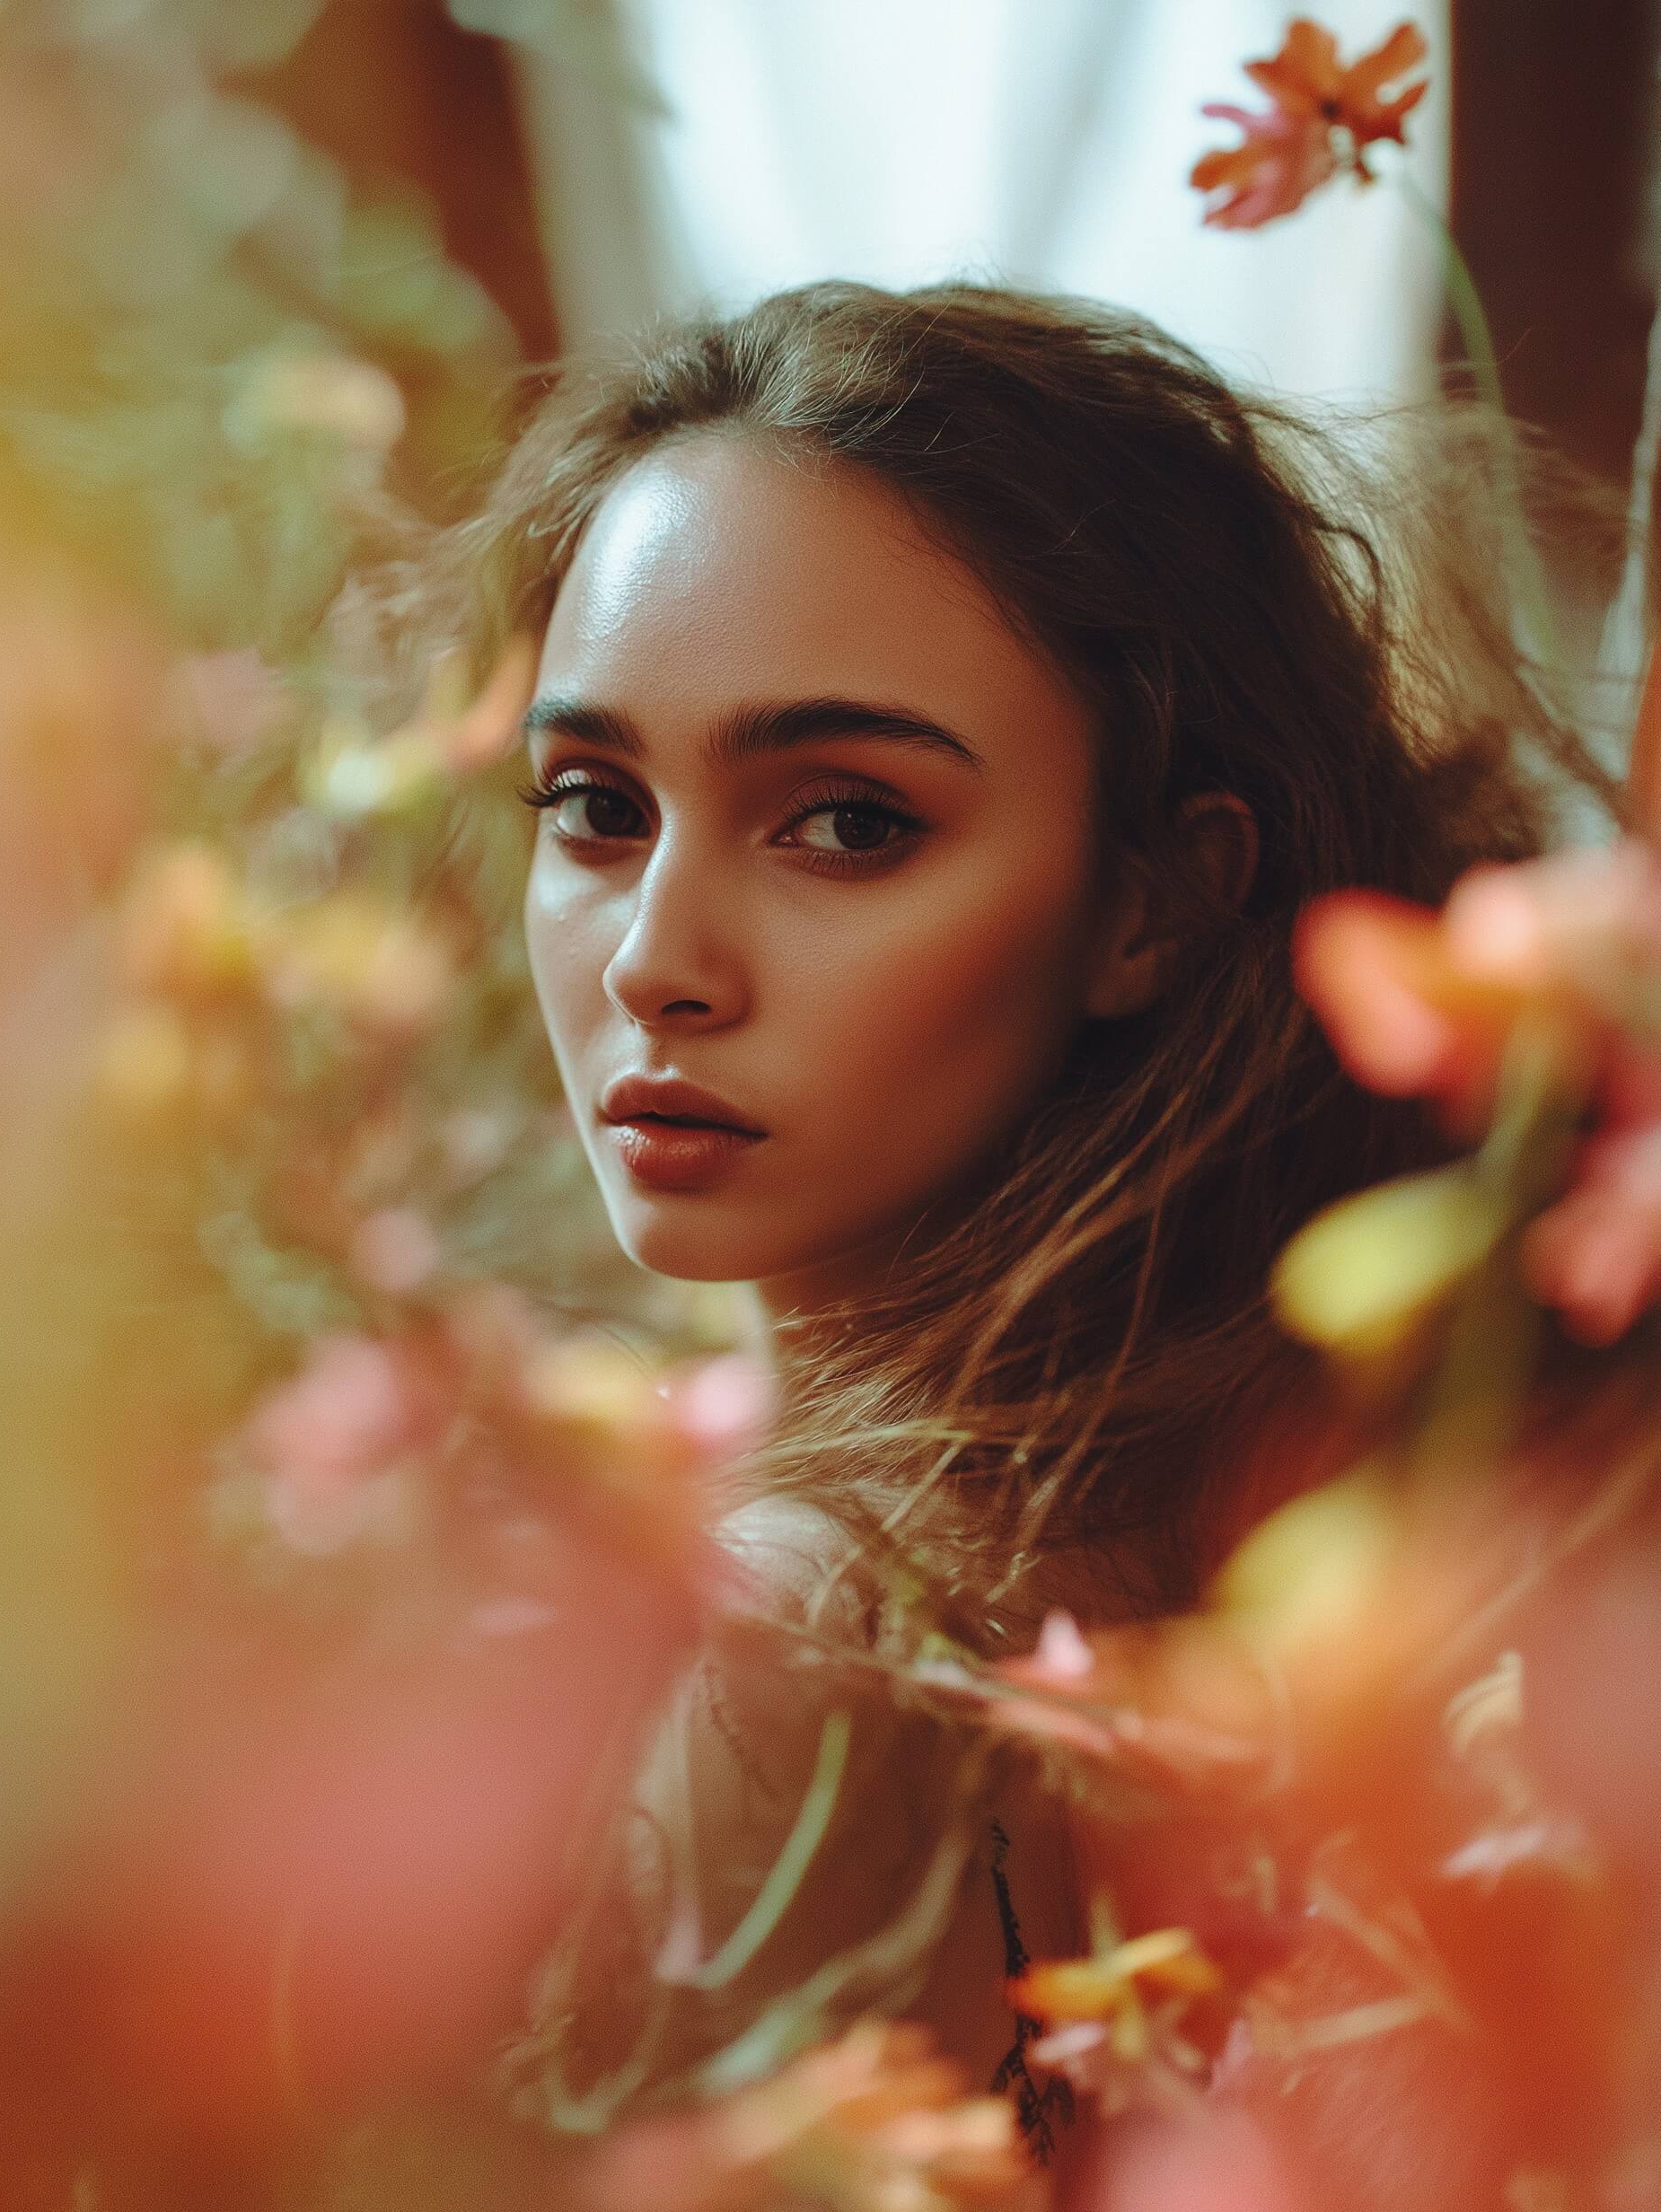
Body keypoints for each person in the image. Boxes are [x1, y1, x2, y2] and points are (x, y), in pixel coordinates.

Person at [436, 279, 1630, 2193]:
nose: (655, 956)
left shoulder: (803, 1646)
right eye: (593, 805)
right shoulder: (1291, 1519)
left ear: (1151, 896)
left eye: (842, 822)